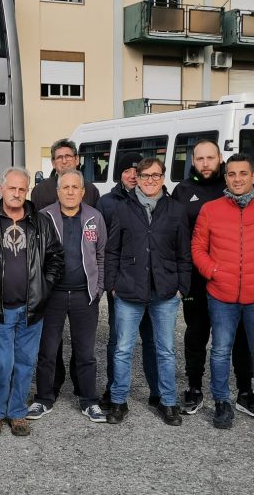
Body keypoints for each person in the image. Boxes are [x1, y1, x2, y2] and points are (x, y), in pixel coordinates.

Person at [191, 153, 254, 432]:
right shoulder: (211, 210)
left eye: (243, 174)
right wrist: (213, 272)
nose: (237, 179)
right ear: (226, 178)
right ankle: (222, 403)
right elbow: (198, 249)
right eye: (232, 174)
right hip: (221, 294)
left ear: (253, 177)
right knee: (221, 351)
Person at [170, 140, 254, 416]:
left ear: (220, 158)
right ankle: (194, 388)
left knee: (239, 336)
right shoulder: (182, 191)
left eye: (211, 157)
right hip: (196, 278)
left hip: (232, 278)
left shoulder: (232, 186)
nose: (205, 163)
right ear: (192, 161)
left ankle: (244, 389)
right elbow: (174, 235)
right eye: (200, 158)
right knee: (196, 334)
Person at [104, 157, 191, 425]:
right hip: (128, 291)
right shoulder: (123, 208)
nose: (150, 180)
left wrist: (181, 288)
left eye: (155, 175)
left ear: (163, 178)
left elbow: (184, 254)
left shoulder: (176, 210)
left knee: (165, 350)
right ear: (136, 178)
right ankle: (118, 401)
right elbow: (112, 251)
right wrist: (113, 286)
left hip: (165, 293)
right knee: (122, 349)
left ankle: (168, 402)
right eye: (145, 176)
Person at [0, 167, 64, 437]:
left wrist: (44, 288)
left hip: (31, 308)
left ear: (27, 190)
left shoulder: (41, 222)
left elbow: (55, 258)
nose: (17, 194)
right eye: (12, 188)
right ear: (1, 188)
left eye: (21, 189)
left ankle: (17, 412)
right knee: (2, 363)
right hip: (0, 307)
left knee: (26, 362)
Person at [28, 170, 107, 423]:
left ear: (83, 192)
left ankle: (88, 400)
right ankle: (43, 399)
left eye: (76, 187)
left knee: (85, 352)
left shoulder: (95, 217)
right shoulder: (44, 217)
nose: (71, 191)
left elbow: (102, 255)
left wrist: (98, 288)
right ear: (58, 191)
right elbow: (34, 257)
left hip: (85, 296)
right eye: (66, 187)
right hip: (53, 297)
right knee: (47, 350)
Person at [96, 152, 160, 409]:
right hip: (122, 286)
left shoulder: (157, 200)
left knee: (152, 340)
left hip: (153, 284)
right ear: (120, 174)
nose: (133, 175)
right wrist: (110, 284)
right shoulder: (108, 203)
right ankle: (114, 389)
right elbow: (104, 246)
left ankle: (156, 390)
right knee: (118, 340)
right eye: (128, 171)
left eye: (138, 170)